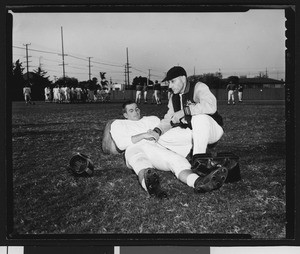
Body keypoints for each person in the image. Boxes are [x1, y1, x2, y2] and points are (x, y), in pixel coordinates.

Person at [102, 100, 228, 198]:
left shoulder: (151, 119)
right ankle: (151, 187)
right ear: (125, 114)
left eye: (137, 109)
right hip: (133, 148)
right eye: (131, 111)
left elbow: (165, 132)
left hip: (155, 147)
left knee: (177, 161)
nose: (135, 112)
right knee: (141, 164)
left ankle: (199, 182)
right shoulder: (118, 124)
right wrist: (143, 135)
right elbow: (121, 144)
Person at [151, 66, 225, 177]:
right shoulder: (173, 97)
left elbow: (211, 106)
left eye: (172, 81)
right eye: (169, 82)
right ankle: (192, 153)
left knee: (198, 117)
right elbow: (168, 119)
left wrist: (184, 111)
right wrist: (157, 131)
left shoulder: (198, 87)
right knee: (161, 138)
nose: (170, 86)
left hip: (212, 130)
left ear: (183, 78)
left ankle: (199, 161)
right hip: (193, 132)